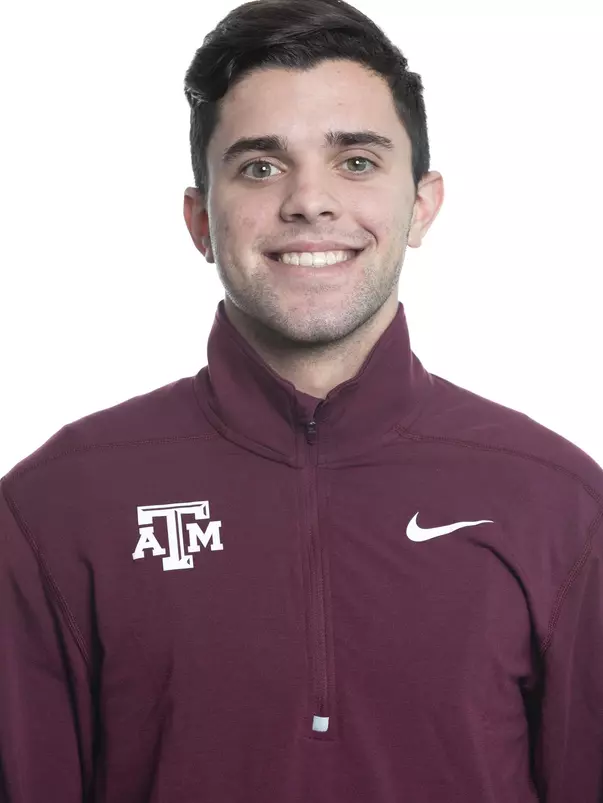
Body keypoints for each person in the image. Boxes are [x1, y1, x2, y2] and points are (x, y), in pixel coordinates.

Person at [1, 0, 601, 800]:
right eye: (259, 165)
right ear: (198, 220)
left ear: (420, 205)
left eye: (355, 161)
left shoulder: (555, 498)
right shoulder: (56, 505)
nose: (308, 202)